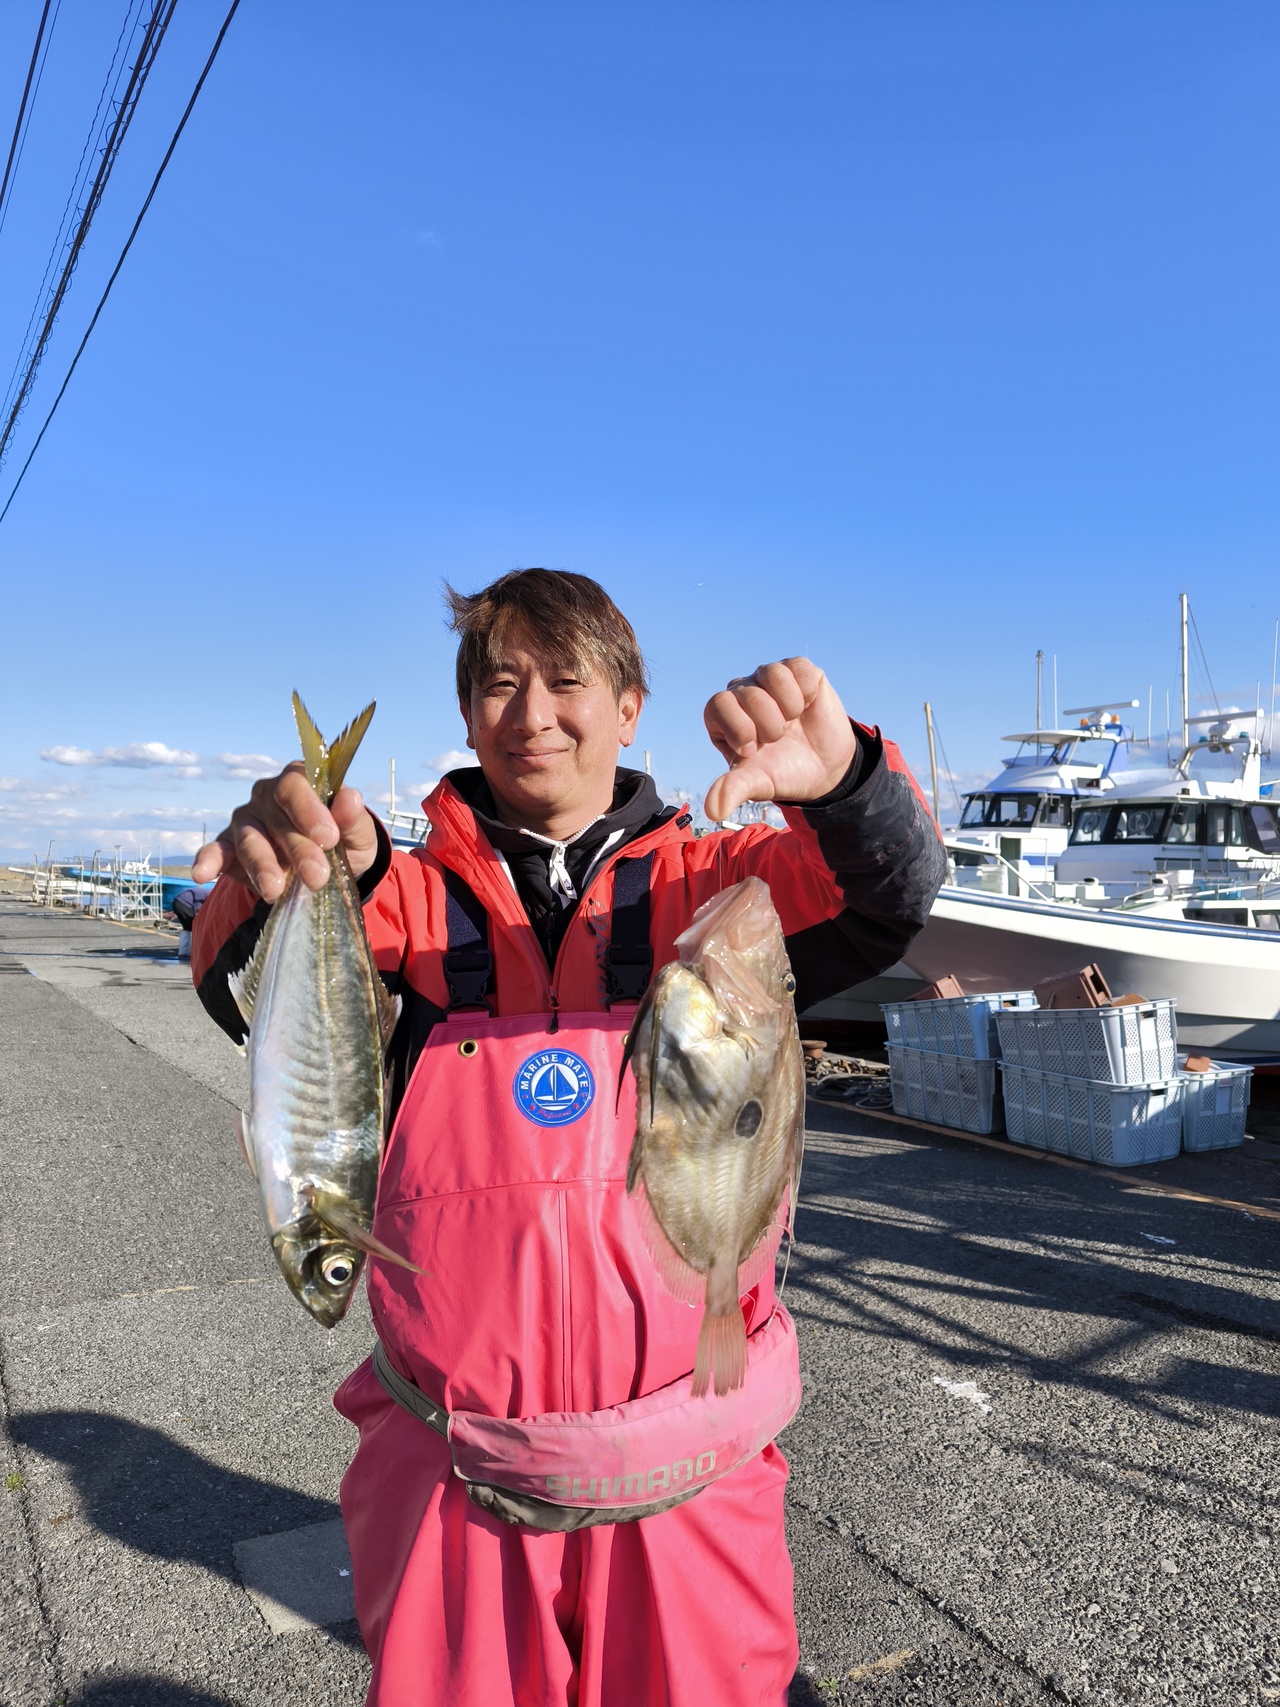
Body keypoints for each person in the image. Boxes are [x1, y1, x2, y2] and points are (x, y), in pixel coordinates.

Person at [190, 568, 945, 1707]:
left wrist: (845, 786)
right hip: (452, 1469)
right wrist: (276, 873)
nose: (532, 714)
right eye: (500, 685)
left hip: (692, 1473)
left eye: (566, 681)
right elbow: (239, 991)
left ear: (629, 707)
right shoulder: (398, 899)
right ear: (465, 716)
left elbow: (889, 893)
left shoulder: (717, 888)